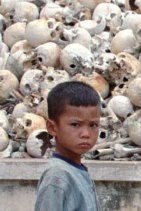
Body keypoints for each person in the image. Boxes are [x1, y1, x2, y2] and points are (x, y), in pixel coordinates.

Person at [34, 81, 101, 211]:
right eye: (75, 124)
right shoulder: (57, 177)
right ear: (52, 128)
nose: (86, 134)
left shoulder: (76, 170)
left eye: (93, 125)